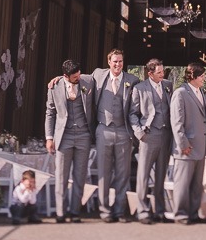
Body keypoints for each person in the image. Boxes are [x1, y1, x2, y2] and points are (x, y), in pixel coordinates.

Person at [92, 49, 140, 223]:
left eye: (120, 61)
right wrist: (59, 79)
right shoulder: (98, 75)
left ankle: (119, 211)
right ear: (109, 62)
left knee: (123, 173)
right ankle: (105, 211)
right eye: (115, 61)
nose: (118, 64)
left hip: (123, 131)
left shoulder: (132, 80)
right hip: (103, 129)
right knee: (103, 173)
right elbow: (77, 77)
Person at [45, 59, 95, 223]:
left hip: (83, 135)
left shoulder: (87, 80)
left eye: (79, 74)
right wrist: (49, 137)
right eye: (74, 76)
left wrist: (61, 76)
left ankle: (75, 211)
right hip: (63, 136)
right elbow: (50, 113)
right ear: (66, 76)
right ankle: (60, 212)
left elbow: (101, 75)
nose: (78, 78)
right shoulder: (55, 86)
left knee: (80, 175)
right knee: (61, 175)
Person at [129, 58, 173, 225]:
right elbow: (132, 114)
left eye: (163, 71)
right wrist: (139, 133)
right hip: (148, 136)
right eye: (159, 72)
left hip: (165, 135)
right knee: (143, 175)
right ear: (150, 73)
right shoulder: (140, 88)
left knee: (161, 175)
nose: (163, 74)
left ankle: (160, 211)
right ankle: (142, 211)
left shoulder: (168, 86)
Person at [170, 62, 206, 225]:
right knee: (182, 183)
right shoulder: (180, 93)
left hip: (200, 146)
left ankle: (193, 213)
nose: (204, 78)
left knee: (196, 185)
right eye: (202, 75)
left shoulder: (201, 91)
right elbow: (176, 121)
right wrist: (183, 144)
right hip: (186, 147)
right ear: (193, 76)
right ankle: (180, 214)